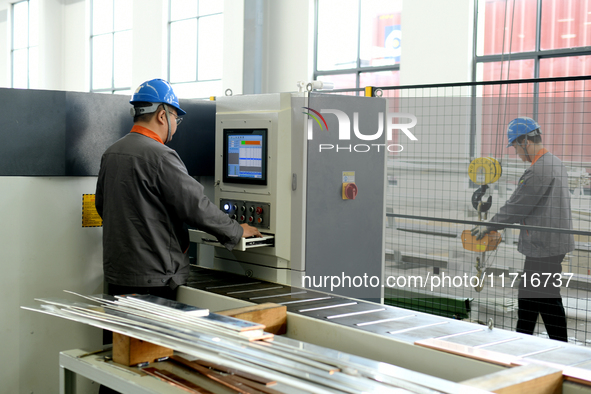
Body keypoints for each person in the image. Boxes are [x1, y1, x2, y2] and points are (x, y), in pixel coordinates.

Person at [96, 78, 262, 300]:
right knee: (153, 335)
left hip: (118, 276)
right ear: (162, 115)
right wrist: (236, 230)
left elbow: (101, 206)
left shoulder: (112, 152)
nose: (175, 125)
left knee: (123, 335)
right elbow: (196, 207)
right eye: (176, 117)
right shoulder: (161, 156)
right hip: (156, 278)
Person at [472, 116, 574, 342]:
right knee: (534, 296)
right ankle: (525, 340)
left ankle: (544, 344)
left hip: (543, 245)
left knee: (542, 297)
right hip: (553, 242)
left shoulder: (538, 170)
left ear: (525, 142)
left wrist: (489, 225)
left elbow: (517, 206)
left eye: (516, 147)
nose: (516, 153)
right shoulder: (555, 162)